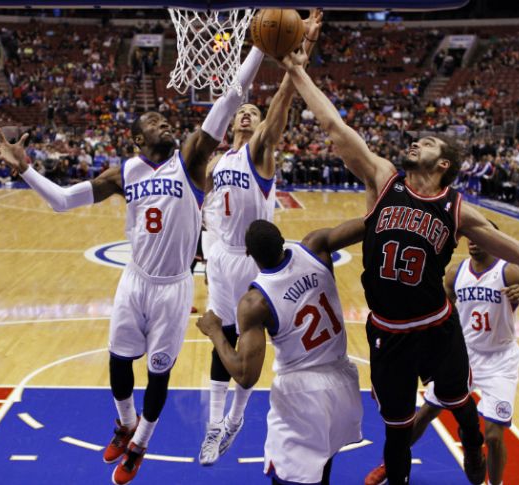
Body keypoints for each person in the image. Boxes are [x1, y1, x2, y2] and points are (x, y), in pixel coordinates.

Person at [279, 48, 519, 485]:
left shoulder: (458, 210)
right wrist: (297, 70)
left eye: (428, 143)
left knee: (459, 402)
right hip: (387, 332)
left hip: (437, 327)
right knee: (397, 435)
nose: (415, 140)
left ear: (443, 165)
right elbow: (334, 127)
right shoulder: (383, 179)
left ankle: (473, 444)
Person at [0, 42, 269, 485]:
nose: (165, 122)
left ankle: (141, 443)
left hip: (174, 288)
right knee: (119, 363)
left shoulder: (192, 161)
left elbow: (232, 97)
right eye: (155, 121)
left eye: (165, 118)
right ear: (138, 139)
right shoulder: (124, 175)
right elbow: (62, 202)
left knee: (159, 372)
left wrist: (257, 46)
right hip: (134, 281)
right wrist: (25, 169)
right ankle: (125, 423)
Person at [197, 9, 322, 466]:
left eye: (253, 111)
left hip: (256, 261)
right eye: (243, 112)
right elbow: (204, 210)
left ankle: (237, 415)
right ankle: (216, 425)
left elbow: (281, 104)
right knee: (223, 335)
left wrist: (300, 53)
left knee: (249, 344)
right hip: (220, 257)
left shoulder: (261, 152)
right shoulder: (214, 164)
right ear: (232, 122)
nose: (248, 115)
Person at [365, 221, 519, 485]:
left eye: (480, 237)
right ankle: (390, 464)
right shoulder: (456, 273)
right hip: (462, 354)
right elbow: (436, 313)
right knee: (423, 414)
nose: (473, 242)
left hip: (500, 360)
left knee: (493, 436)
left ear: (494, 240)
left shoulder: (510, 272)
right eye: (470, 238)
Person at [196, 218, 364, 484]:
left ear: (248, 254)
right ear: (282, 239)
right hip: (343, 383)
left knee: (288, 479)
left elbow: (245, 374)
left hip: (303, 396)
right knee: (322, 468)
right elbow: (369, 224)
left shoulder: (256, 301)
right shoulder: (315, 247)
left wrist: (215, 331)